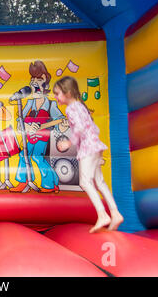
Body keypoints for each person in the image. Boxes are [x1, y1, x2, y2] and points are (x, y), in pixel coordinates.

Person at [53, 76, 124, 233]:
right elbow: (93, 127)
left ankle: (102, 214)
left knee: (85, 182)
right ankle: (115, 213)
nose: (55, 97)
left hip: (88, 148)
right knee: (100, 181)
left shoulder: (70, 109)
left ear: (68, 93)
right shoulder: (80, 106)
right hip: (96, 145)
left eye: (58, 94)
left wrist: (69, 143)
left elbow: (79, 127)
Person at [11, 60, 69, 193]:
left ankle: (50, 184)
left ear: (45, 85)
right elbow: (20, 119)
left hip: (43, 139)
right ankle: (22, 181)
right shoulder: (29, 103)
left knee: (37, 157)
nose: (35, 84)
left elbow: (60, 120)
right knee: (22, 155)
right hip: (30, 137)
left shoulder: (50, 104)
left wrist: (60, 126)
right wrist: (27, 126)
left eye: (39, 80)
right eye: (33, 80)